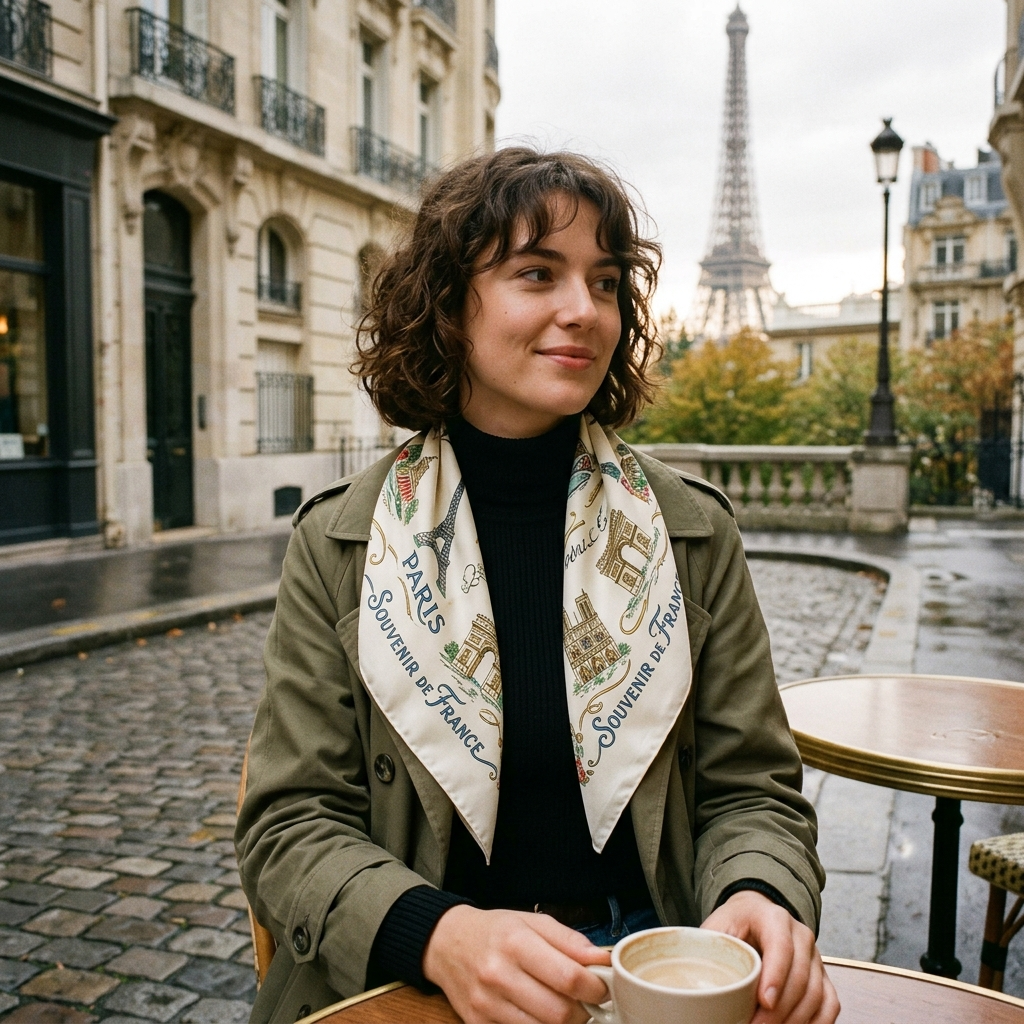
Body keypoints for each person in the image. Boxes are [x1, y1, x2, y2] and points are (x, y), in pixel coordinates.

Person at [236, 147, 840, 1024]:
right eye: (536, 273)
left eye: (604, 282)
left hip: (650, 964)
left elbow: (751, 789)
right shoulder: (341, 540)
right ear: (448, 306)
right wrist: (437, 935)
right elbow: (289, 822)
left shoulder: (693, 531)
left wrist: (760, 891)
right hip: (417, 975)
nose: (582, 311)